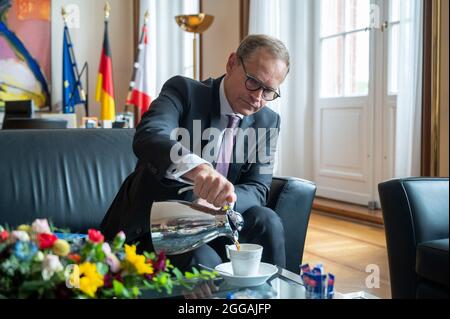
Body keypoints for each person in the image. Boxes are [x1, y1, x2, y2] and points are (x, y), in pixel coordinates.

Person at [100, 34, 290, 272]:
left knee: (268, 221)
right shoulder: (184, 91)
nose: (258, 97)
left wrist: (221, 199)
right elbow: (150, 134)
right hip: (159, 223)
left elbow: (258, 188)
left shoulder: (267, 121)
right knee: (203, 261)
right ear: (232, 63)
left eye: (269, 91)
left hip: (219, 222)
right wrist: (198, 170)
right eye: (253, 82)